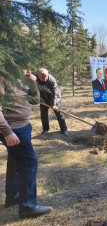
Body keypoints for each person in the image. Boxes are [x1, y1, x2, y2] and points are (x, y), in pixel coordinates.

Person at [0, 70, 53, 219]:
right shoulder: (2, 78)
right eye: (25, 67)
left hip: (23, 126)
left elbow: (34, 100)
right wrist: (7, 132)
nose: (27, 70)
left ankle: (13, 197)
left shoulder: (22, 79)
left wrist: (32, 82)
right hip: (13, 128)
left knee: (15, 161)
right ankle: (28, 205)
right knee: (29, 162)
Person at [36, 68, 68, 136]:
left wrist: (53, 104)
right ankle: (45, 129)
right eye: (42, 77)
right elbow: (31, 87)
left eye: (45, 77)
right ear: (38, 75)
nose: (44, 79)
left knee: (59, 113)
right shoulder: (34, 78)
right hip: (43, 97)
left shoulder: (52, 80)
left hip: (54, 97)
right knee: (43, 114)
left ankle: (64, 129)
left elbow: (54, 93)